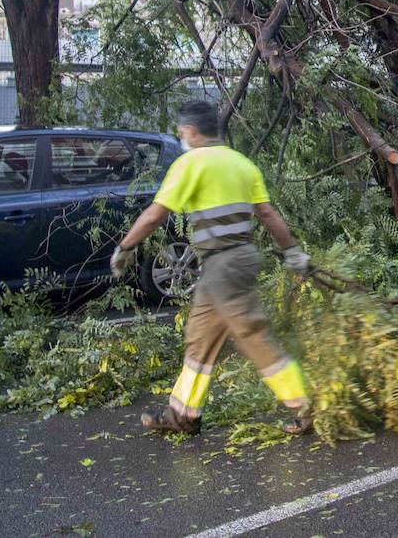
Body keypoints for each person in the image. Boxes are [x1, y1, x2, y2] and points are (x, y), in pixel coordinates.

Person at [114, 100, 313, 436]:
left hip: (223, 265)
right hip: (236, 260)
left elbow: (154, 214)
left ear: (192, 131)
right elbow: (267, 214)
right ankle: (183, 415)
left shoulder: (191, 164)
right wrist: (292, 252)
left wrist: (125, 246)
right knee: (200, 340)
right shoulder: (242, 163)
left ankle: (306, 406)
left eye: (181, 130)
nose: (180, 135)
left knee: (253, 336)